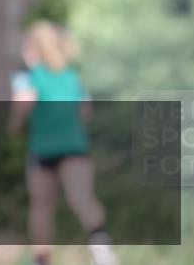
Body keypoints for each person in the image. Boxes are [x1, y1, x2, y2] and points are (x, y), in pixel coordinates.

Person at [8, 21, 118, 265]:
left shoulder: (27, 76)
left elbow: (23, 105)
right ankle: (103, 252)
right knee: (83, 199)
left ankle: (42, 260)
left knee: (41, 208)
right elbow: (86, 111)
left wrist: (15, 127)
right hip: (74, 148)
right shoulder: (71, 76)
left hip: (42, 149)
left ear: (33, 49)